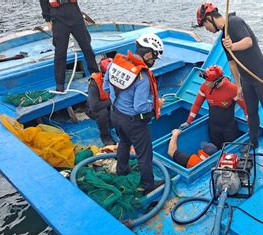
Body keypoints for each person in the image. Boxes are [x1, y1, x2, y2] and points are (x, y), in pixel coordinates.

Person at [196, 2, 263, 160]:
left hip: (260, 76)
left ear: (209, 19)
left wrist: (233, 45)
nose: (207, 29)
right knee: (251, 112)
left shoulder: (234, 22)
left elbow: (248, 41)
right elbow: (232, 63)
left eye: (204, 25)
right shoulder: (223, 37)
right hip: (246, 79)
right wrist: (238, 85)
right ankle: (253, 142)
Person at [103, 33, 165, 194]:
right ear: (149, 54)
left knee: (124, 141)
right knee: (144, 154)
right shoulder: (142, 77)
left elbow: (106, 87)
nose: (153, 62)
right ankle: (147, 186)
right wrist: (155, 103)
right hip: (133, 122)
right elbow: (139, 107)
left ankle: (121, 169)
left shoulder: (115, 64)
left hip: (115, 114)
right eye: (154, 58)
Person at [180, 65, 247, 149]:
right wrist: (188, 122)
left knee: (231, 149)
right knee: (216, 147)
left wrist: (251, 125)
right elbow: (197, 105)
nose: (205, 83)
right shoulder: (204, 87)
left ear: (216, 82)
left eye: (207, 81)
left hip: (229, 129)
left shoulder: (232, 89)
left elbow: (245, 107)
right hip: (213, 128)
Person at [39, 0, 99, 92]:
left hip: (75, 16)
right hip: (58, 20)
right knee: (60, 53)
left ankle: (96, 75)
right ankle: (60, 84)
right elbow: (44, 3)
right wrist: (48, 21)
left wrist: (81, 17)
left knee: (87, 49)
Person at [85, 57, 115, 146]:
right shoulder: (94, 83)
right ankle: (105, 136)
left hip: (112, 106)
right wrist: (112, 101)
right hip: (96, 109)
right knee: (102, 112)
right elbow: (94, 106)